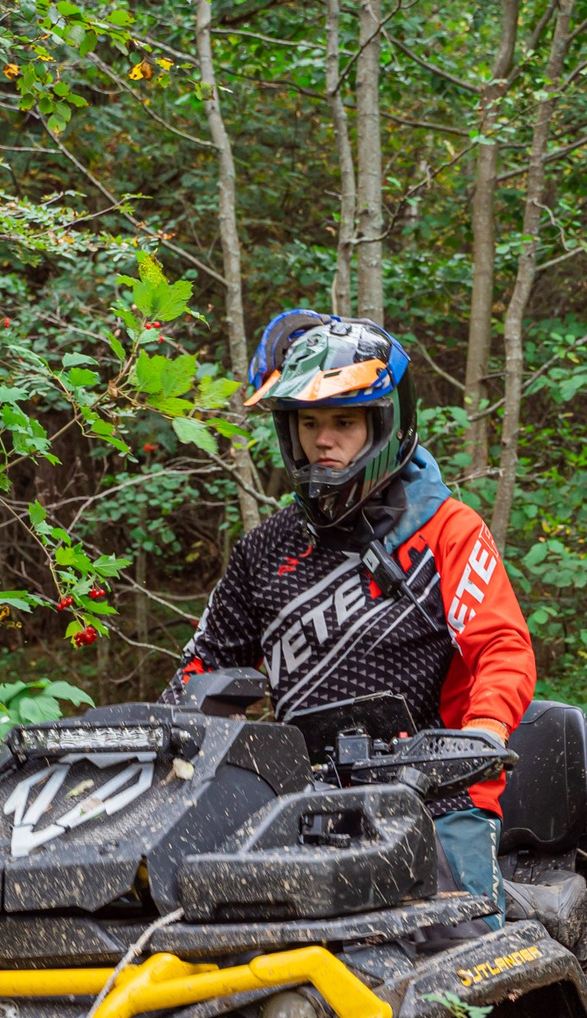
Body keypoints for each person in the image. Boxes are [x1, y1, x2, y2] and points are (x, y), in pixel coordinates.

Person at [161, 311, 534, 922]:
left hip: (437, 796)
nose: (323, 440)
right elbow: (206, 675)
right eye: (309, 422)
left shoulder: (446, 529)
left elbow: (501, 648)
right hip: (298, 802)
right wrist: (163, 746)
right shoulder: (266, 548)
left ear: (382, 422)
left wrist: (486, 730)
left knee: (459, 961)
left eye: (343, 421)